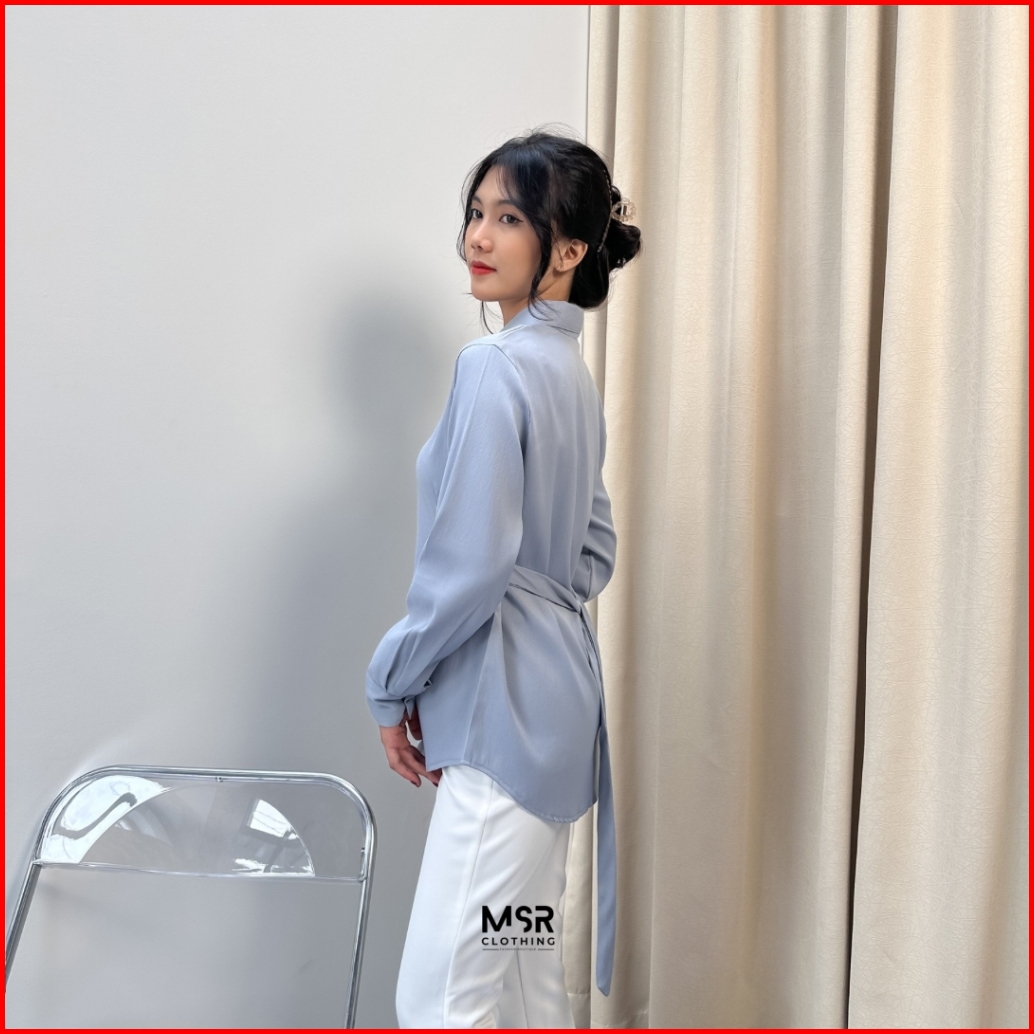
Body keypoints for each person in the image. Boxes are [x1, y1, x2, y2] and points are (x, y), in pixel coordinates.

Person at [365, 128, 642, 1028]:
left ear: (567, 250)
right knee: (521, 977)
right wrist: (538, 592)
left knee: (443, 999)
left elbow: (471, 568)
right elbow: (593, 551)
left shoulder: (495, 367)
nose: (478, 237)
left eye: (510, 218)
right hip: (557, 715)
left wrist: (392, 683)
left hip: (502, 726)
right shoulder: (569, 372)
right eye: (476, 213)